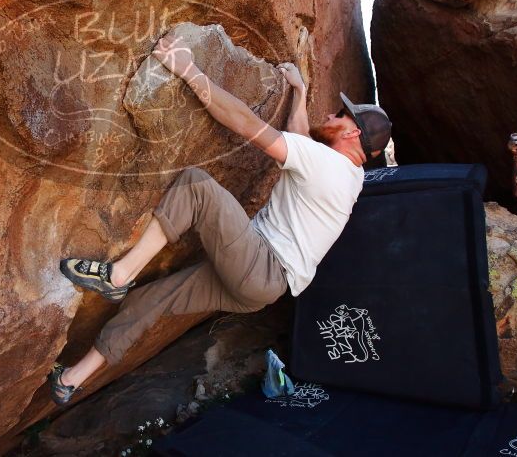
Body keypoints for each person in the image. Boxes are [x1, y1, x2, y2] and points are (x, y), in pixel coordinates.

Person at [49, 33, 393, 405]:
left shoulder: (327, 165)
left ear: (352, 131)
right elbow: (300, 140)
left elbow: (245, 124)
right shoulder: (351, 175)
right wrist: (299, 90)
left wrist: (188, 69)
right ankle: (70, 379)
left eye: (340, 114)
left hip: (261, 266)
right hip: (262, 287)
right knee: (152, 299)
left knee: (197, 185)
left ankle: (118, 275)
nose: (332, 114)